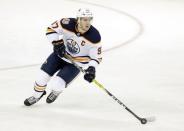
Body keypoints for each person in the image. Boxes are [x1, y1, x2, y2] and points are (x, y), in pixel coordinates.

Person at [24, 8, 102, 106]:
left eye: (90, 19)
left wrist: (92, 69)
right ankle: (36, 96)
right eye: (84, 19)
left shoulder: (94, 36)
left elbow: (96, 57)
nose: (88, 22)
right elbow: (51, 29)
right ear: (78, 19)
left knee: (57, 85)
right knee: (41, 79)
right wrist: (56, 43)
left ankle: (56, 92)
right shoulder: (66, 23)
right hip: (60, 55)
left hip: (76, 63)